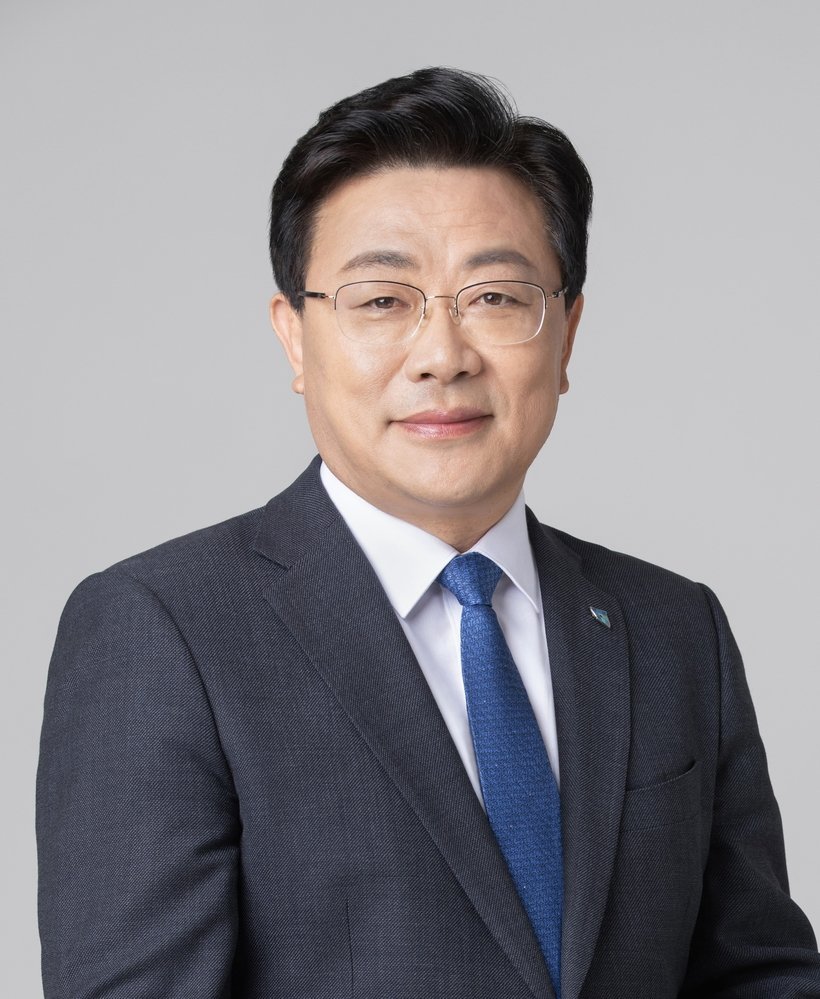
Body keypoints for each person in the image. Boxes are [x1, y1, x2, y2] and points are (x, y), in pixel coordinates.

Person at [36, 66, 820, 999]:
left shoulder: (674, 628)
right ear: (294, 337)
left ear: (567, 335)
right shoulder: (163, 630)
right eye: (382, 300)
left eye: (495, 298)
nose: (443, 356)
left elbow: (761, 976)